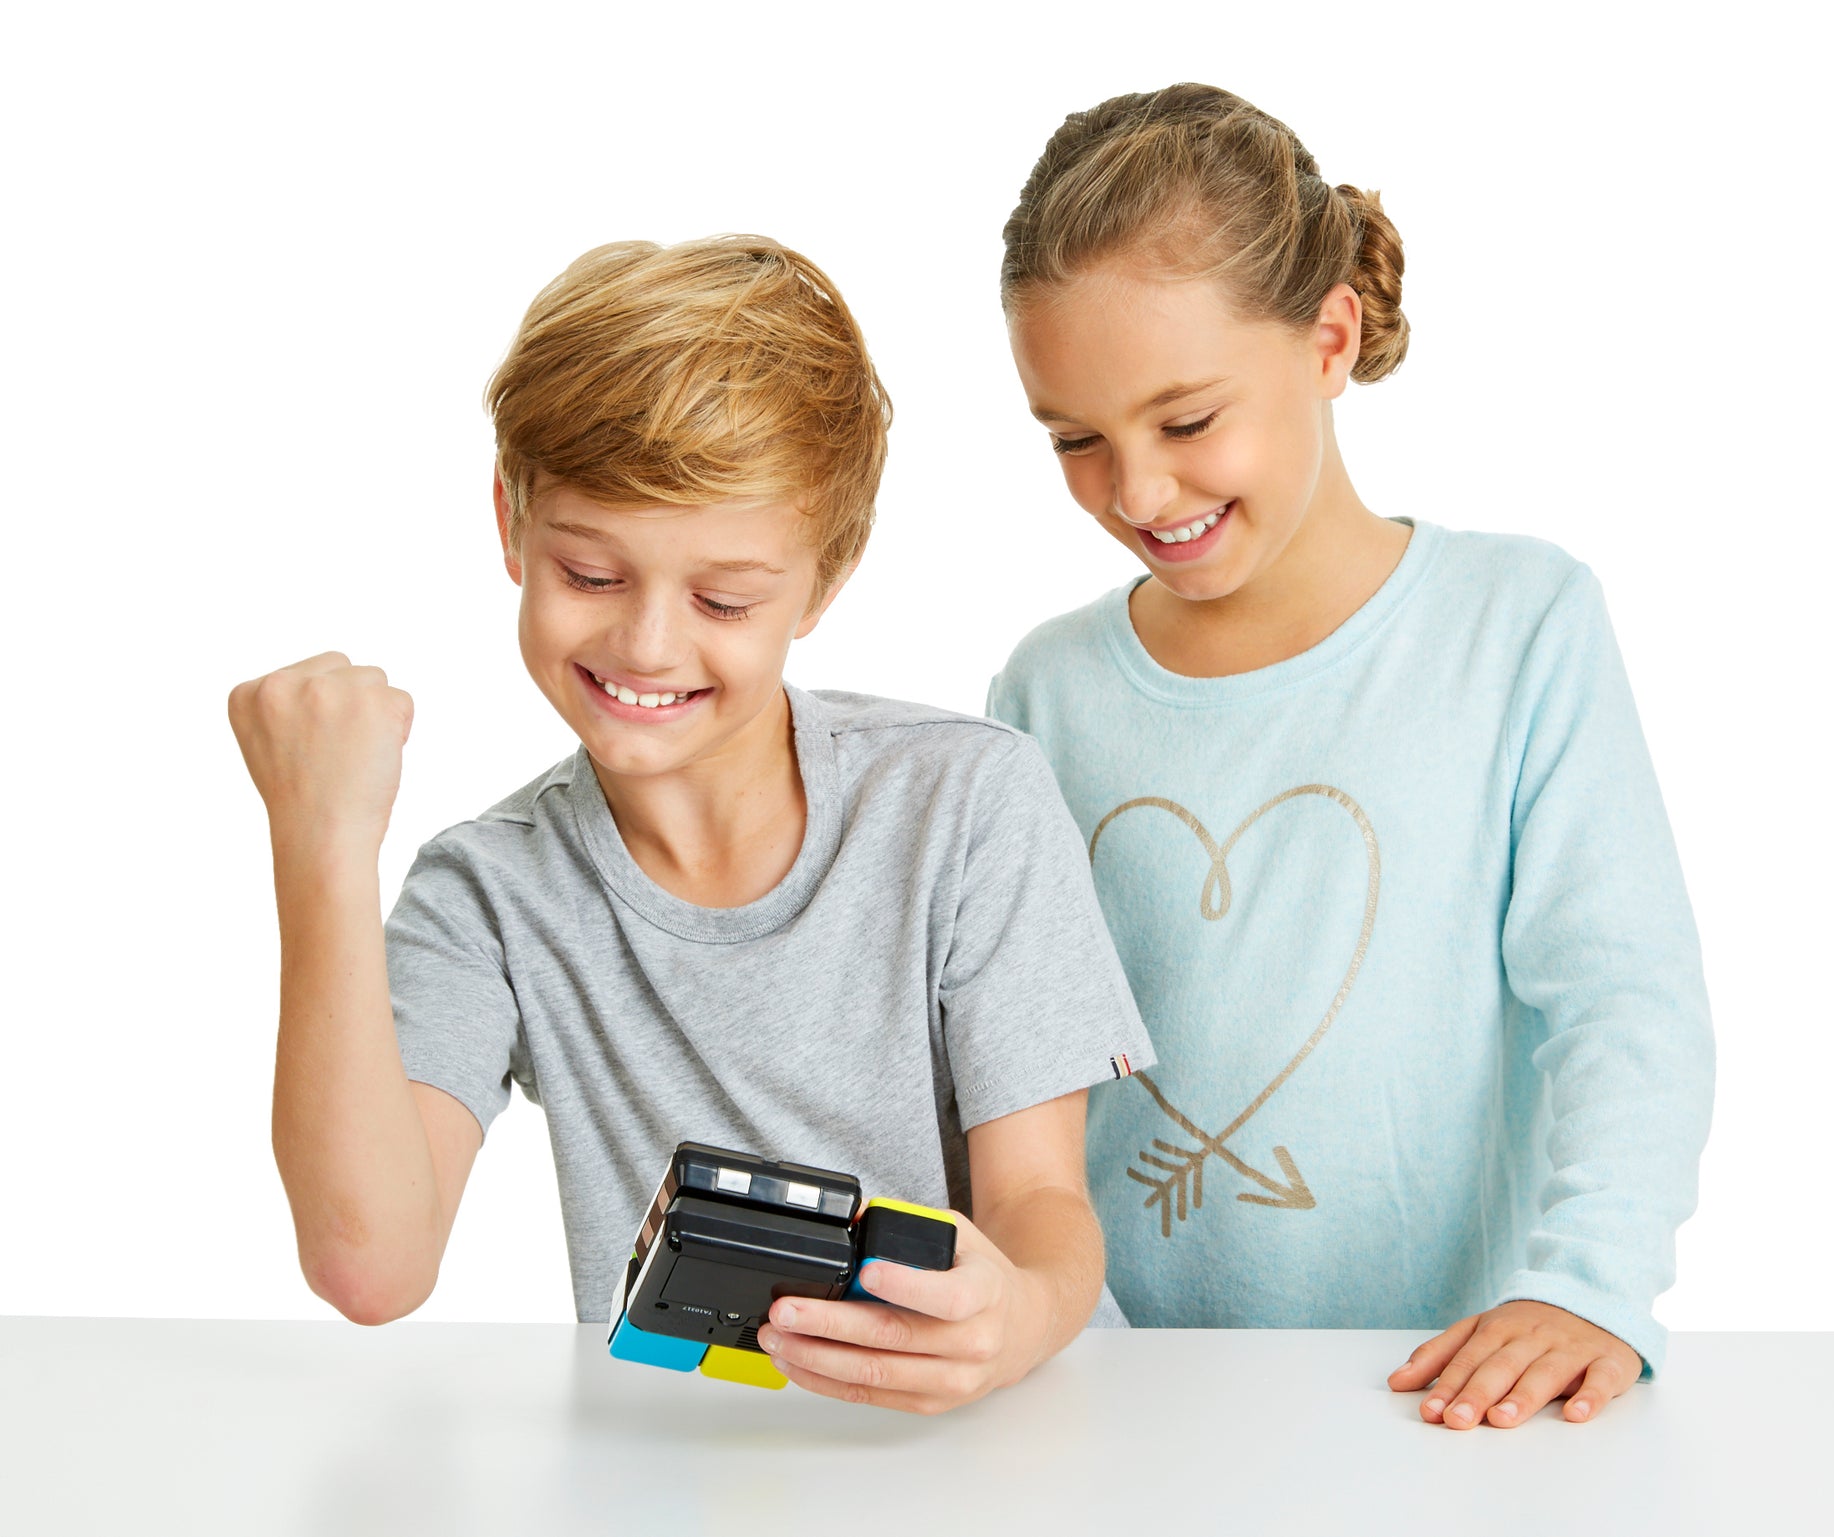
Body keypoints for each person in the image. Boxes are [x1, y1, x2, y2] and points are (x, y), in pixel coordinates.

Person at [228, 235, 1153, 1415]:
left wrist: (1010, 1315)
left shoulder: (964, 801)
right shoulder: (488, 894)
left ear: (824, 578)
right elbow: (370, 1263)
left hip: (1002, 1442)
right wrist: (320, 845)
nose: (648, 646)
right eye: (590, 573)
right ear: (511, 524)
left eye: (721, 599)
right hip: (681, 1463)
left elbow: (1045, 1209)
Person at [986, 84, 1714, 1431]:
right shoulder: (1046, 688)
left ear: (1328, 336)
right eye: (1076, 441)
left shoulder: (1517, 625)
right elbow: (999, 1066)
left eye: (1187, 421)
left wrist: (1589, 1285)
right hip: (1112, 1407)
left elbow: (1624, 999)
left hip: (1442, 1404)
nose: (1137, 493)